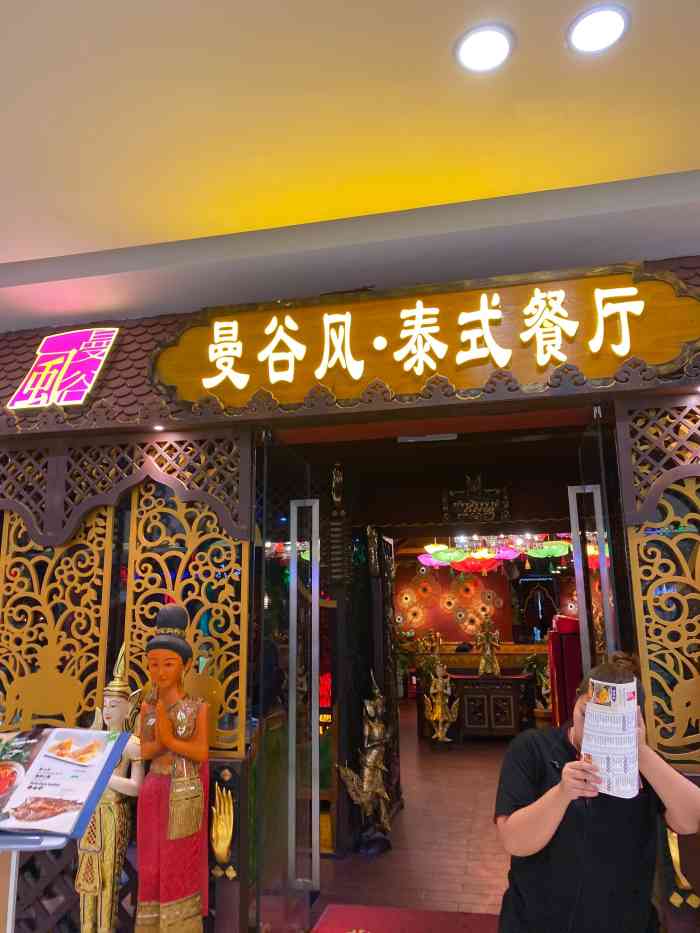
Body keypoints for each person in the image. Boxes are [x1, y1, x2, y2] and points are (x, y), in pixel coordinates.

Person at [495, 652, 700, 933]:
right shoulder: (533, 748)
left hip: (625, 920)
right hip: (537, 919)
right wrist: (562, 793)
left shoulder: (644, 765)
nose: (593, 730)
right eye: (586, 715)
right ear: (575, 703)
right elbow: (514, 841)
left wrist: (640, 752)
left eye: (611, 722)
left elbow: (691, 820)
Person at [135, 604, 209, 933]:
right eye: (154, 664)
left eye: (168, 664)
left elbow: (200, 752)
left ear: (186, 665)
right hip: (154, 790)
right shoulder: (148, 708)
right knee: (151, 864)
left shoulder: (197, 708)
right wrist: (162, 740)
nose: (160, 671)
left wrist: (169, 739)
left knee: (180, 862)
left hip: (183, 794)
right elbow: (145, 750)